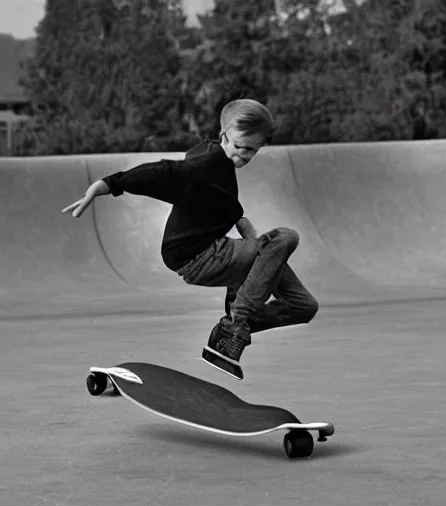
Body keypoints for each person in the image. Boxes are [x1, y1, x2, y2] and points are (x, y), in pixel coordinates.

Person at [62, 99, 318, 380]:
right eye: (240, 147)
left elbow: (235, 214)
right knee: (286, 238)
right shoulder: (205, 164)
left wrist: (259, 258)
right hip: (197, 256)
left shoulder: (220, 165)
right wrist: (106, 185)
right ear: (224, 135)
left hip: (217, 253)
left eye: (253, 151)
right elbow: (163, 172)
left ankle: (234, 323)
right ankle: (234, 327)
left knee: (303, 307)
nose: (244, 156)